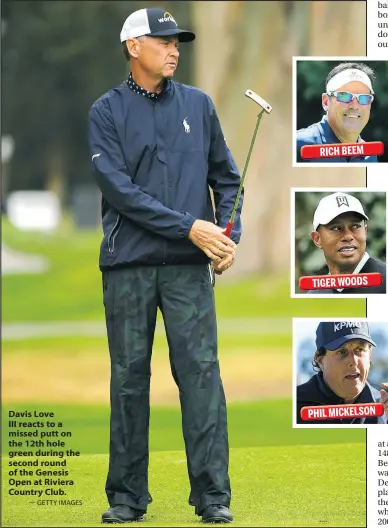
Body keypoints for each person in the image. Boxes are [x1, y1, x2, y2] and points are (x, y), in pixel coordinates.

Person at [88, 7, 243, 525]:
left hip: (186, 268)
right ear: (134, 47)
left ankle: (212, 497)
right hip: (127, 266)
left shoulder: (198, 106)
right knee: (129, 380)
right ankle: (127, 498)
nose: (174, 49)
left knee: (201, 377)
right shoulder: (105, 112)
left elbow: (227, 178)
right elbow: (120, 192)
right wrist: (191, 226)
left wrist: (226, 237)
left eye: (177, 41)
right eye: (162, 41)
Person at [296, 321, 388, 424]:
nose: (353, 362)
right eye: (341, 352)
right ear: (320, 359)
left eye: (360, 349)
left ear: (370, 354)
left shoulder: (383, 405)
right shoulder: (294, 406)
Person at [305, 192, 386, 294]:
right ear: (317, 239)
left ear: (365, 231)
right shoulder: (315, 296)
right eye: (336, 228)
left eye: (355, 226)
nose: (348, 236)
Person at [296, 62, 378, 163]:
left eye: (364, 98)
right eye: (344, 95)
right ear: (326, 101)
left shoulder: (370, 156)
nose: (355, 106)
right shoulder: (297, 144)